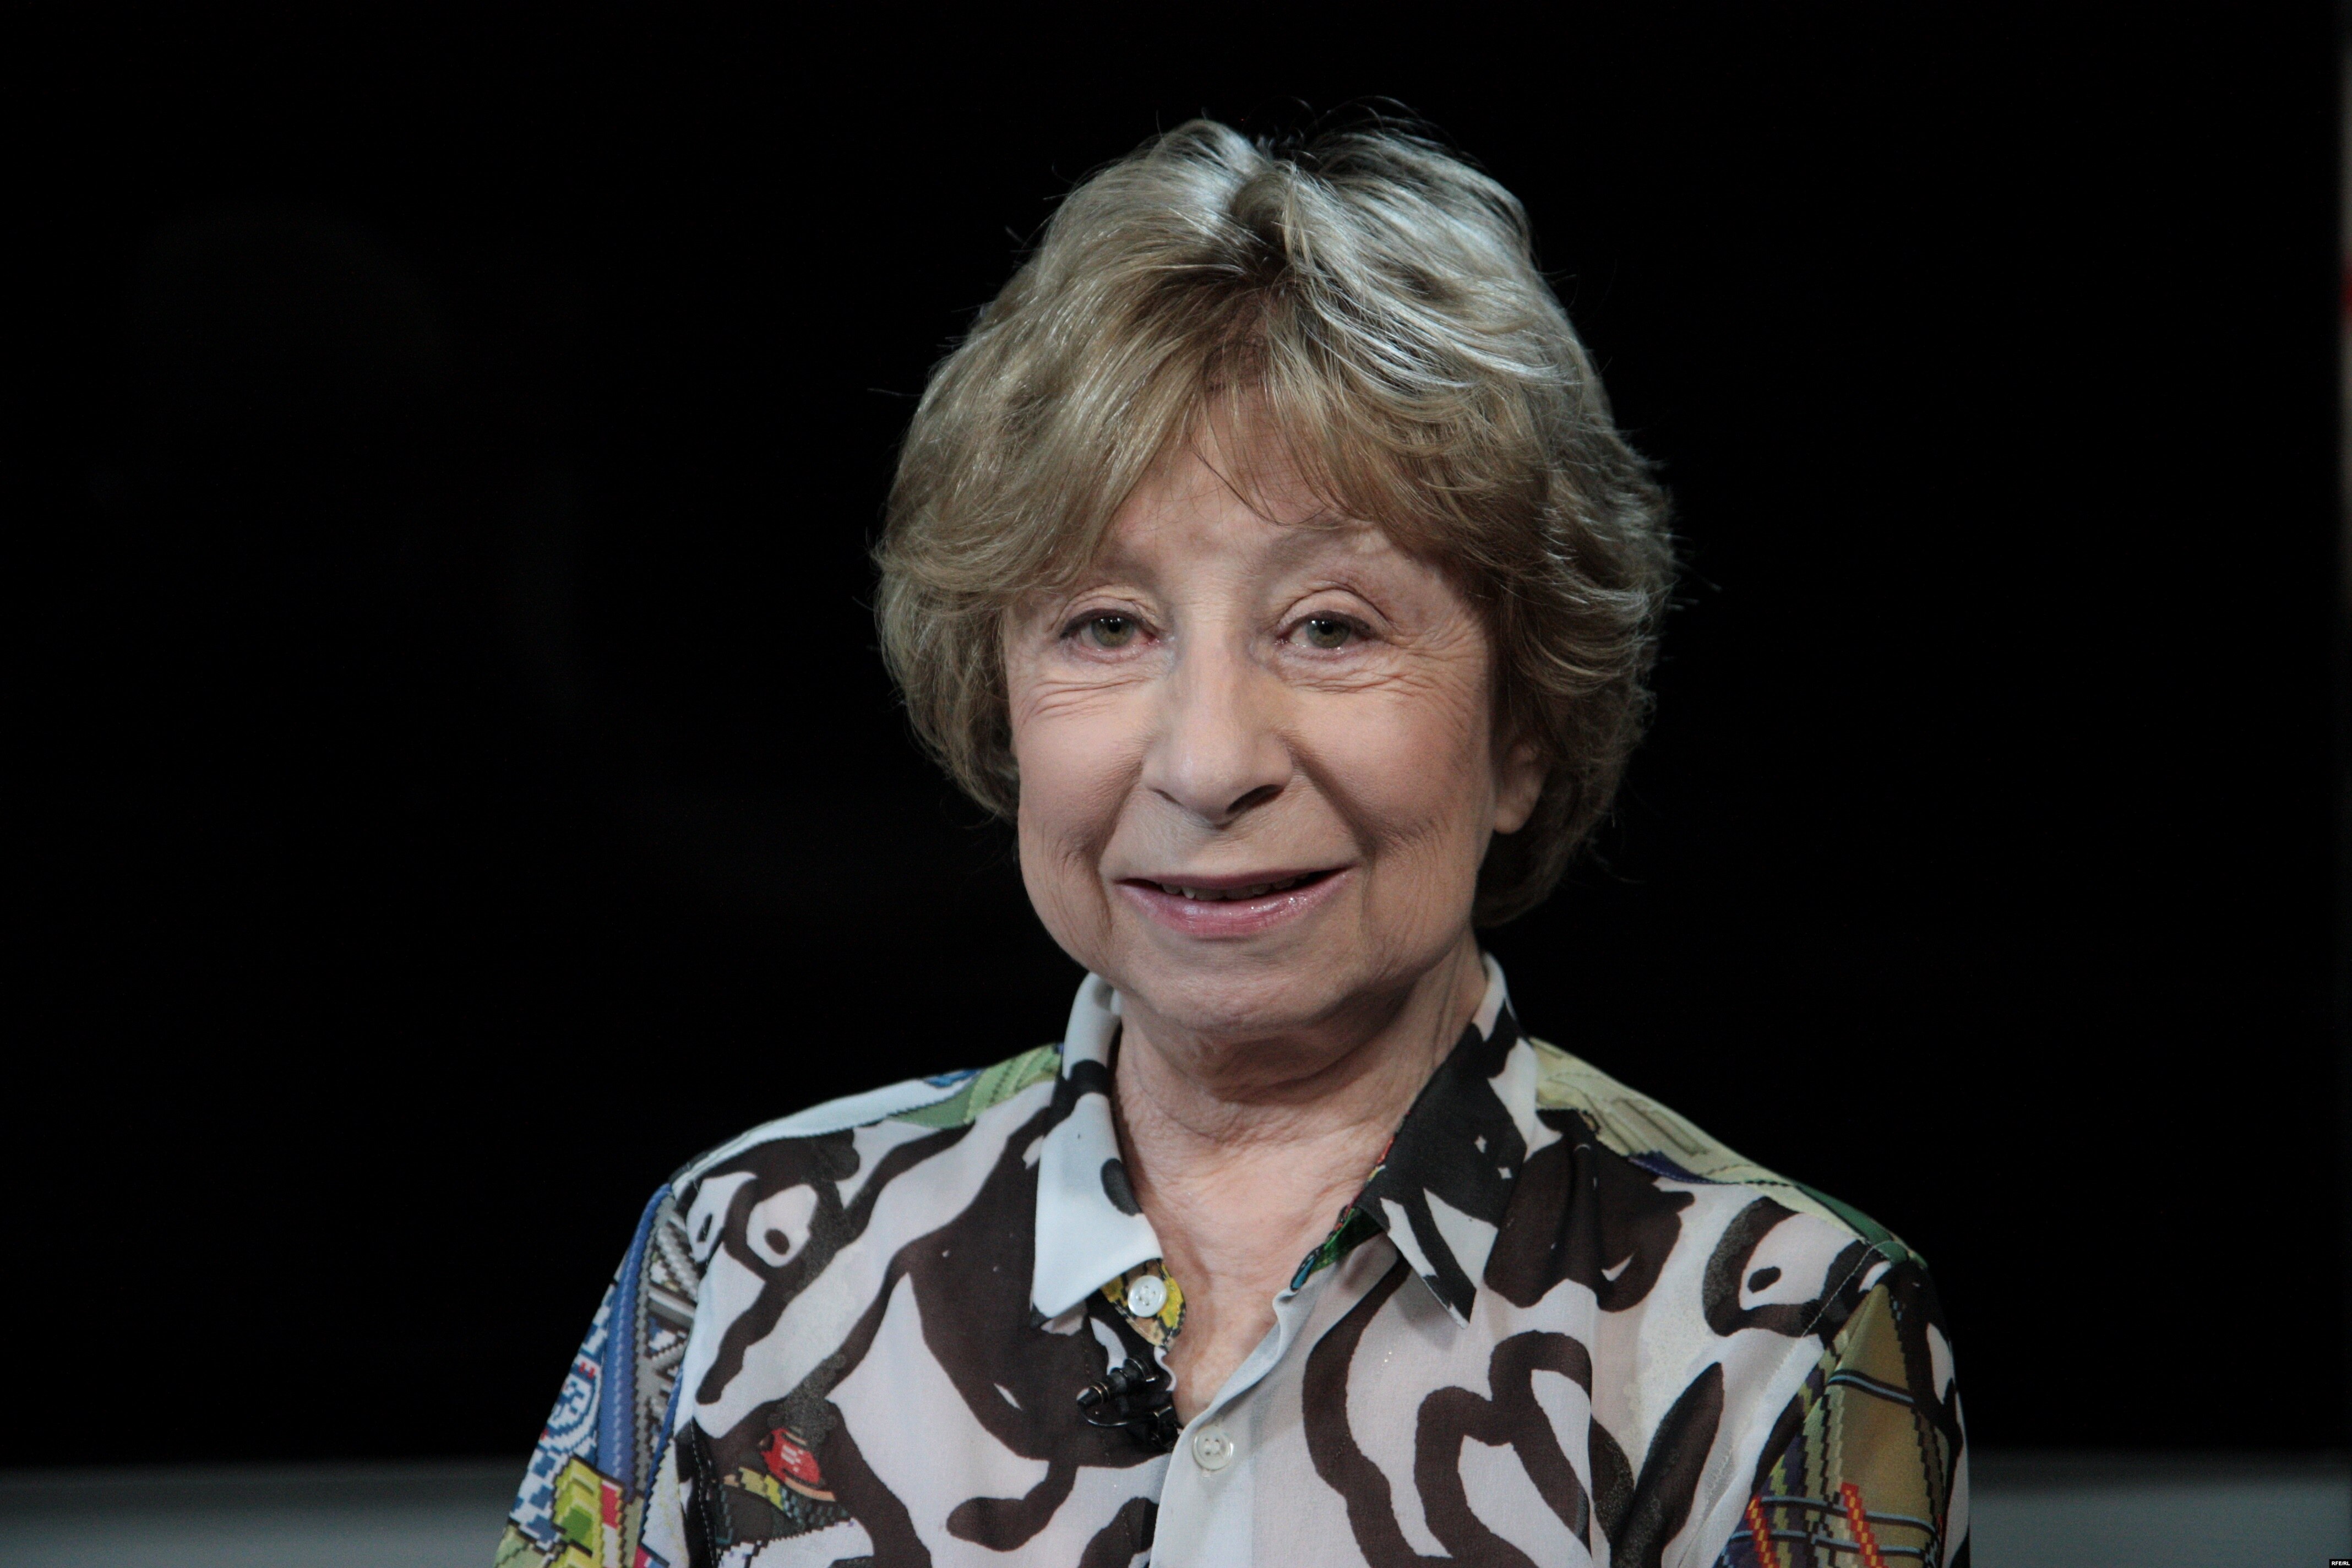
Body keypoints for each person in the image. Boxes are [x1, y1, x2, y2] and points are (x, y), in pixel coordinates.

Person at [497, 119, 1967, 1568]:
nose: (1207, 763)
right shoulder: (744, 1262)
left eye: (1329, 628)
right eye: (1106, 627)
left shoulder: (1776, 1332)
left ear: (1526, 726)